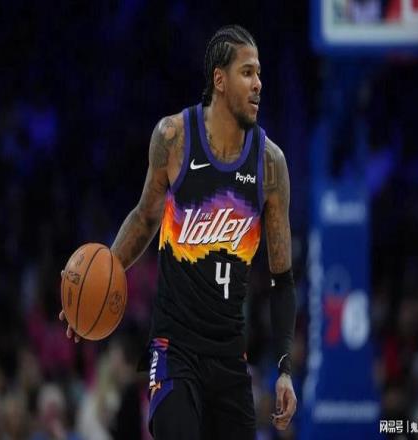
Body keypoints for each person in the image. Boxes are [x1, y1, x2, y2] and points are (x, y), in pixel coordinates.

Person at [60, 24, 297, 439]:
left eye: (259, 74)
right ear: (219, 80)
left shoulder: (270, 164)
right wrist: (98, 280)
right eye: (247, 72)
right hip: (173, 349)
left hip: (230, 356)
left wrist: (284, 369)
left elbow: (282, 278)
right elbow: (145, 218)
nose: (258, 84)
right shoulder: (173, 137)